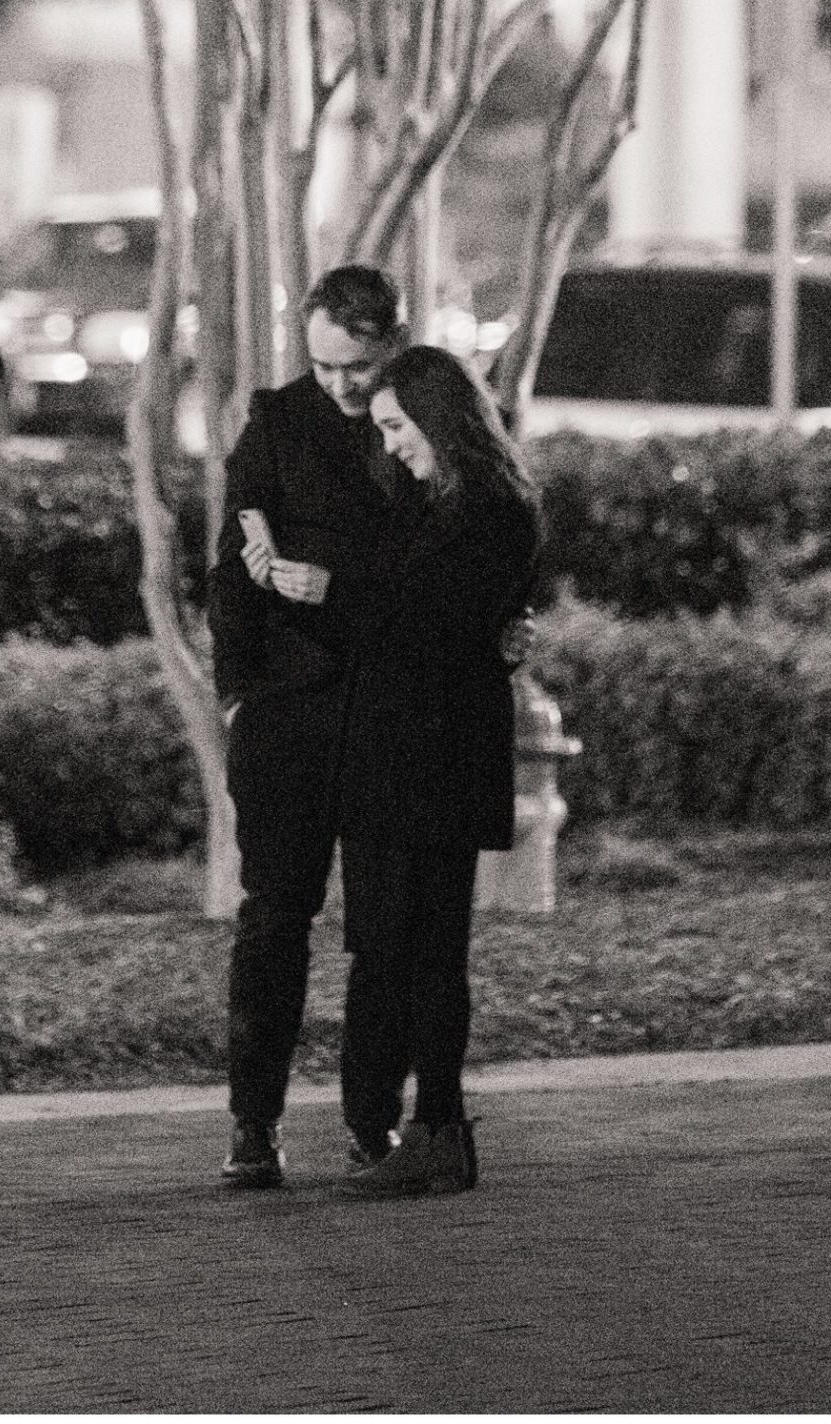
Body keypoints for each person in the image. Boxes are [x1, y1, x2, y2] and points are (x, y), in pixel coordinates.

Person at [207, 262, 410, 1190]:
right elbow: (230, 564)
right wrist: (238, 687)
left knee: (383, 927)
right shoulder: (279, 421)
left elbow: (439, 567)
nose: (341, 386)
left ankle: (374, 1124)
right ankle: (254, 1125)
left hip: (383, 708)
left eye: (358, 367)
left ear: (392, 344)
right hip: (287, 707)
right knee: (274, 919)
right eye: (324, 365)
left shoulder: (421, 427)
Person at [341, 342, 543, 1199]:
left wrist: (338, 598)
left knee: (429, 946)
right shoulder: (439, 502)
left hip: (438, 751)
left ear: (436, 413)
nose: (389, 444)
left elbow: (430, 627)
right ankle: (410, 1125)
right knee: (399, 942)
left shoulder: (490, 509)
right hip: (410, 747)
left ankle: (440, 1130)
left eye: (396, 425)